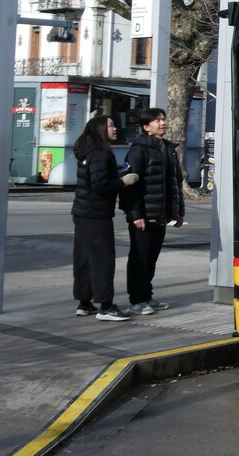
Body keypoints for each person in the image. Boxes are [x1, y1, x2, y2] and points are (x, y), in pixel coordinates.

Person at [71, 116, 139, 322]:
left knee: (84, 258)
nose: (115, 128)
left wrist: (115, 173)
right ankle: (106, 306)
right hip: (96, 214)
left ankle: (84, 302)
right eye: (110, 125)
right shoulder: (101, 153)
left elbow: (94, 178)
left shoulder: (87, 150)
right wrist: (124, 181)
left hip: (82, 211)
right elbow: (100, 185)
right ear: (100, 129)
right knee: (103, 259)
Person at [122, 108, 185, 315]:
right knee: (139, 258)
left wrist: (178, 211)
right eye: (157, 120)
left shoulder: (168, 148)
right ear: (146, 127)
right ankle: (136, 299)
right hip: (144, 215)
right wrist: (135, 214)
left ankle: (146, 295)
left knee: (151, 258)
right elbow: (131, 186)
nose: (163, 123)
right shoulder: (139, 150)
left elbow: (176, 182)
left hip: (161, 214)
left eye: (164, 119)